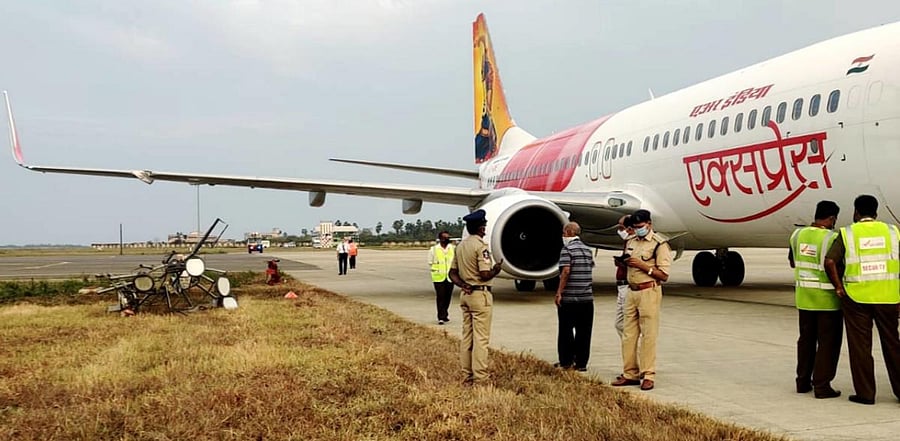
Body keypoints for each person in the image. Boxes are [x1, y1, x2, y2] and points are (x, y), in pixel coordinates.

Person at [824, 194, 900, 405]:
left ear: (856, 212)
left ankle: (866, 394)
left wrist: (839, 287)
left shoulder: (848, 233)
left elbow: (830, 260)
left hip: (857, 298)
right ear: (876, 212)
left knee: (860, 348)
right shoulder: (892, 231)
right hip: (888, 295)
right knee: (893, 344)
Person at [611, 209, 671, 391]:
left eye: (640, 227)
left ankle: (648, 374)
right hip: (632, 291)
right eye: (635, 227)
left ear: (649, 224)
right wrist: (622, 263)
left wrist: (643, 266)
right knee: (629, 335)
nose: (637, 230)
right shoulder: (630, 241)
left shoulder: (659, 244)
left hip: (649, 291)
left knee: (648, 335)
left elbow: (664, 275)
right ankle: (630, 373)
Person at [788, 200, 842, 398]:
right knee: (828, 344)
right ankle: (822, 385)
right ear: (831, 218)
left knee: (806, 341)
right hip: (827, 301)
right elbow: (835, 265)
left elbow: (793, 262)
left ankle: (802, 382)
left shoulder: (797, 235)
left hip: (804, 298)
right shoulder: (832, 237)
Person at [449, 209, 503, 385]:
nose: (485, 229)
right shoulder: (481, 247)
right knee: (481, 339)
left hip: (466, 294)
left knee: (467, 337)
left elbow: (452, 273)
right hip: (480, 294)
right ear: (480, 228)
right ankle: (481, 377)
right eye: (484, 226)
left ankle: (467, 376)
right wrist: (496, 269)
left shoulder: (460, 246)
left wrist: (463, 285)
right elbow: (485, 273)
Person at [554, 221, 595, 372]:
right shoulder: (587, 250)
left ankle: (566, 361)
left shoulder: (567, 250)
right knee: (584, 332)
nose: (563, 236)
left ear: (569, 233)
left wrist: (559, 292)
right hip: (586, 298)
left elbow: (566, 271)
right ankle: (581, 363)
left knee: (566, 330)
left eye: (564, 233)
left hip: (570, 298)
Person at [614, 215, 634, 340]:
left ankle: (636, 352)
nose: (619, 230)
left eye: (621, 227)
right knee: (619, 324)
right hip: (621, 285)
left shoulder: (634, 242)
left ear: (629, 228)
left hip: (628, 286)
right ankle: (630, 350)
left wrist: (622, 263)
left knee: (628, 324)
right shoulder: (628, 242)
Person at [429, 231, 455, 325]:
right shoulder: (434, 249)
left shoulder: (453, 249)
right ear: (441, 239)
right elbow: (430, 262)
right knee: (440, 297)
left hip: (450, 277)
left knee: (448, 297)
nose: (447, 239)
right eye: (445, 238)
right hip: (438, 277)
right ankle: (440, 317)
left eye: (448, 237)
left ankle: (445, 314)